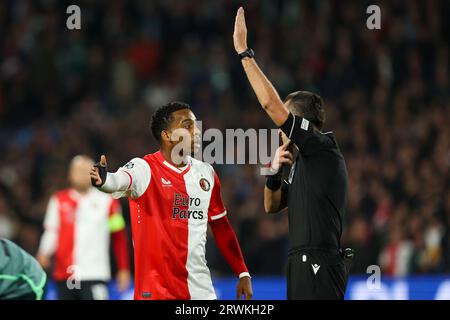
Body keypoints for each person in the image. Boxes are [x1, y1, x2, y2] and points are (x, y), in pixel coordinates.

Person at [233, 7, 350, 300]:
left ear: (303, 123)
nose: (280, 128)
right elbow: (271, 206)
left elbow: (271, 106)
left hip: (319, 263)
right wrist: (274, 172)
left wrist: (244, 53)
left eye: (287, 121)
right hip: (300, 261)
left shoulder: (323, 149)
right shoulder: (302, 163)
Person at [89, 101, 253, 300]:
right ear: (167, 136)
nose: (197, 131)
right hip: (155, 292)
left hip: (200, 291)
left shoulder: (206, 174)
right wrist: (104, 180)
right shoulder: (144, 168)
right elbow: (119, 180)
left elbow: (220, 226)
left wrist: (242, 272)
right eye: (187, 125)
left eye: (196, 125)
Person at [37, 155, 131, 300]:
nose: (81, 174)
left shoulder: (108, 202)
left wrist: (123, 268)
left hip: (95, 273)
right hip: (65, 274)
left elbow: (118, 236)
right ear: (69, 174)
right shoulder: (58, 200)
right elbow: (51, 232)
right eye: (77, 170)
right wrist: (44, 253)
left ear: (93, 173)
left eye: (85, 170)